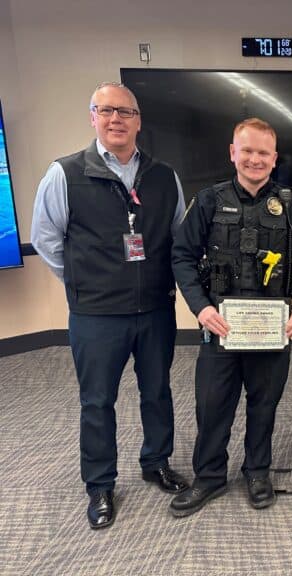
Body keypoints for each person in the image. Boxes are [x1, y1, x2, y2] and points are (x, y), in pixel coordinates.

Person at [30, 82, 189, 530]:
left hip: (156, 310)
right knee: (97, 402)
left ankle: (155, 462)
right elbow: (46, 241)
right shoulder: (65, 174)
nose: (116, 119)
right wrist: (87, 282)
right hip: (96, 316)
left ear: (139, 121)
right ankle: (100, 484)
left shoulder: (164, 177)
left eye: (125, 112)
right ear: (92, 117)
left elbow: (177, 238)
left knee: (157, 392)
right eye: (106, 110)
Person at [169, 118, 292, 516]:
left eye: (263, 153)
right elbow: (182, 257)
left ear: (274, 159)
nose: (255, 159)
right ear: (233, 153)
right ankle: (208, 477)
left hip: (272, 330)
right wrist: (200, 308)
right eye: (248, 150)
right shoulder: (207, 201)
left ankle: (258, 472)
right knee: (212, 404)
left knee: (263, 404)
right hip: (221, 326)